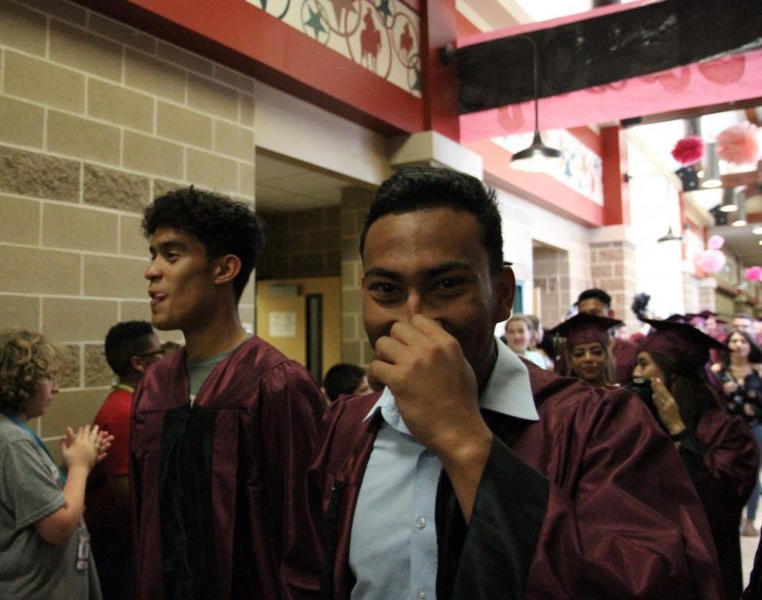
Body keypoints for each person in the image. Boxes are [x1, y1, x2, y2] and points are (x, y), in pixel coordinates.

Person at [302, 166, 721, 599]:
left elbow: (649, 584)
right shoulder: (344, 429)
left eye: (447, 285)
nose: (414, 318)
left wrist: (464, 440)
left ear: (502, 294)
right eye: (387, 289)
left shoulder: (599, 427)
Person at [131, 186, 326, 600]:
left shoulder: (276, 384)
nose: (151, 271)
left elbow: (305, 536)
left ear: (224, 270)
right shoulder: (154, 386)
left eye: (171, 254)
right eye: (153, 255)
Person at [0, 329, 111, 599]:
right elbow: (59, 528)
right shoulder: (12, 441)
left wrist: (70, 469)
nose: (56, 388)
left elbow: (32, 499)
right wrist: (80, 466)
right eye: (49, 378)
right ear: (22, 381)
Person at [630, 317, 758, 599]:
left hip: (706, 567)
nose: (635, 372)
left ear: (672, 375)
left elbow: (721, 499)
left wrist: (679, 432)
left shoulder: (726, 429)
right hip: (648, 570)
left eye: (644, 364)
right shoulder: (639, 425)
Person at [85, 322, 173, 600]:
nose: (165, 360)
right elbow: (125, 494)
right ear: (139, 363)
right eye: (158, 352)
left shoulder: (133, 403)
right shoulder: (123, 411)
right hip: (118, 540)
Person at [712, 329, 762, 536]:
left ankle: (750, 521)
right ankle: (735, 515)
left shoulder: (759, 370)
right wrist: (721, 391)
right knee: (728, 471)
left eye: (742, 340)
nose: (738, 344)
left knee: (753, 472)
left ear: (750, 345)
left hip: (755, 426)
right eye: (733, 340)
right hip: (729, 429)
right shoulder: (717, 371)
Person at [573, 288, 638, 383]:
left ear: (610, 314)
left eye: (594, 313)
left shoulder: (631, 352)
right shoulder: (570, 355)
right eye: (583, 315)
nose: (588, 319)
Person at [548, 312, 621, 387]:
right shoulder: (562, 397)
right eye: (579, 354)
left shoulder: (622, 396)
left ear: (607, 356)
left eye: (596, 352)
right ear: (570, 360)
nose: (588, 359)